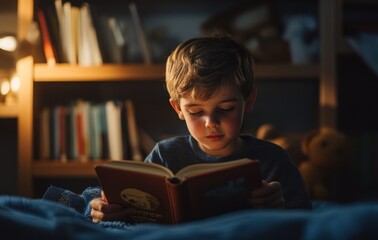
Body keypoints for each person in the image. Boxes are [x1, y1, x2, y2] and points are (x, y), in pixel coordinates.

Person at [89, 33, 311, 222]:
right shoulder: (165, 155)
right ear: (178, 109)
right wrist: (106, 209)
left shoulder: (273, 160)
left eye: (226, 108)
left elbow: (306, 222)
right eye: (195, 111)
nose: (211, 122)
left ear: (248, 101)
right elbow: (136, 212)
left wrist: (280, 209)